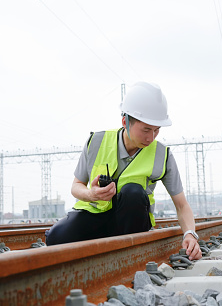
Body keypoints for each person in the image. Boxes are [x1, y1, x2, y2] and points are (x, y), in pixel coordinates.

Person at [45, 82, 202, 260]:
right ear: (125, 122)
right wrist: (91, 194)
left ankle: (126, 254)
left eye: (156, 130)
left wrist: (190, 234)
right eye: (146, 130)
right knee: (55, 238)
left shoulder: (162, 155)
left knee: (132, 191)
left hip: (132, 221)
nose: (151, 137)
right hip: (95, 215)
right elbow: (76, 186)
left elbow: (182, 205)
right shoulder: (96, 142)